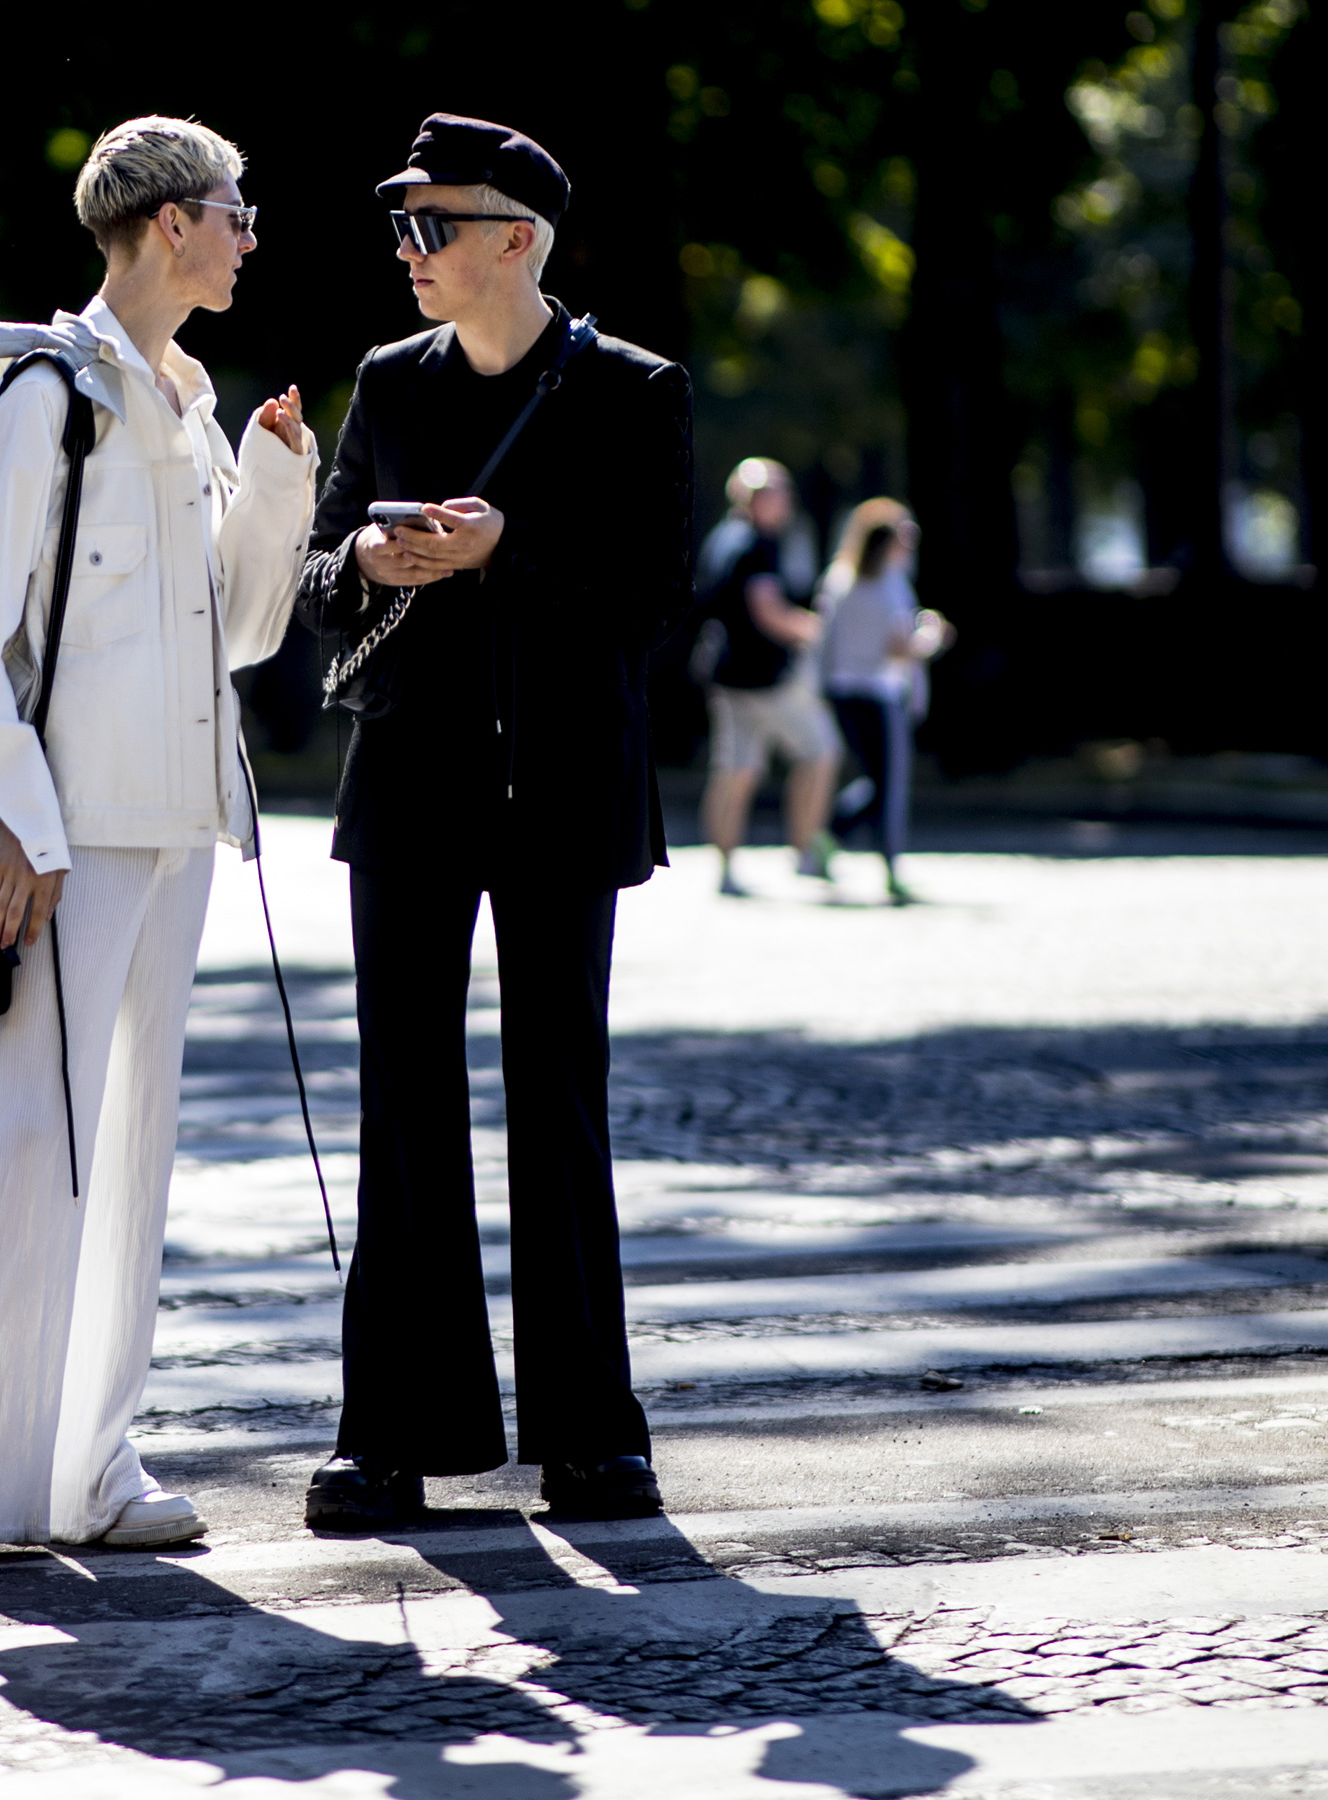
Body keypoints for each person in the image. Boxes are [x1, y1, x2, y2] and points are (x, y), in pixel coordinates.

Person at [0, 117, 317, 1574]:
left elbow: (238, 635)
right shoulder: (46, 393)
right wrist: (19, 828)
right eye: (237, 210)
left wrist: (278, 476)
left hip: (177, 827)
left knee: (132, 1152)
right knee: (28, 1144)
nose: (250, 233)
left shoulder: (183, 401)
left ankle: (91, 1465)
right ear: (170, 223)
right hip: (68, 836)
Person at [292, 114, 694, 1529]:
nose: (408, 249)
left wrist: (510, 551)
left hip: (566, 783)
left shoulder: (635, 389)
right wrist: (366, 552)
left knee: (557, 1102)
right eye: (400, 226)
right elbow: (323, 567)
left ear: (515, 237)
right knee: (401, 1105)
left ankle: (592, 1430)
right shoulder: (387, 380)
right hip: (409, 779)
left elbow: (653, 594)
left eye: (433, 225)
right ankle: (389, 1430)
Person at [696, 457, 840, 897]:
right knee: (821, 751)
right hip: (763, 679)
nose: (788, 502)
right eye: (781, 492)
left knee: (734, 769)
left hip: (725, 673)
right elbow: (768, 612)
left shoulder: (723, 537)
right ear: (758, 498)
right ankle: (804, 852)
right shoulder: (756, 544)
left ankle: (723, 866)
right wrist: (816, 629)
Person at [817, 498, 952, 904]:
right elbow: (900, 648)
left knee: (876, 780)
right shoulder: (888, 583)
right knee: (889, 784)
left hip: (844, 691)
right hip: (880, 693)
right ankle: (887, 864)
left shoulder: (838, 579)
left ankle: (829, 838)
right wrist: (933, 636)